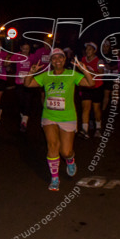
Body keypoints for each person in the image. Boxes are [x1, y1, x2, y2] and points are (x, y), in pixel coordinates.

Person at [25, 48, 96, 191]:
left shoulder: (71, 74)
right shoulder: (46, 75)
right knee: (52, 145)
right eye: (54, 58)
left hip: (67, 116)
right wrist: (31, 72)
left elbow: (91, 83)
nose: (57, 60)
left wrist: (83, 69)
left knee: (65, 151)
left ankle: (70, 159)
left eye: (60, 57)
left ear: (64, 60)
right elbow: (27, 84)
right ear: (51, 61)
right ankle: (55, 178)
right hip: (49, 115)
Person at [78, 42, 108, 139]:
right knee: (86, 108)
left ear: (94, 51)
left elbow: (101, 74)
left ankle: (98, 128)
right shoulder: (82, 60)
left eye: (90, 49)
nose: (87, 51)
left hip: (97, 87)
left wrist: (86, 70)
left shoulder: (100, 61)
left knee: (96, 109)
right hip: (86, 87)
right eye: (86, 49)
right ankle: (85, 130)